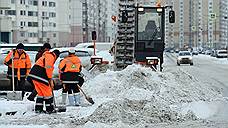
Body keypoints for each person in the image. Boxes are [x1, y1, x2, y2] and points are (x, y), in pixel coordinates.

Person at [27, 49, 60, 114]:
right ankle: (50, 109)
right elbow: (48, 68)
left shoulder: (46, 56)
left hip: (34, 75)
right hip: (40, 76)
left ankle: (38, 109)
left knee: (40, 93)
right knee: (48, 93)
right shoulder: (51, 56)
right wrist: (50, 79)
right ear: (56, 55)